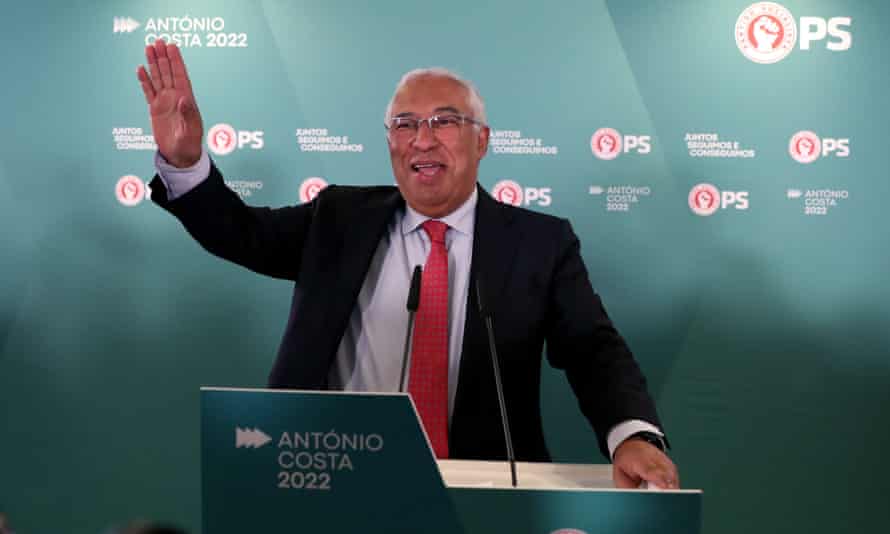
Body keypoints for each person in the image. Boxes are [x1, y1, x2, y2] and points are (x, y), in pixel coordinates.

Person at [136, 40, 679, 489]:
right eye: (405, 124)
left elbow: (592, 350)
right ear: (390, 141)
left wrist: (632, 435)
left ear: (482, 140)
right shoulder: (338, 217)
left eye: (444, 121)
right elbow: (241, 234)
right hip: (327, 479)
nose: (423, 139)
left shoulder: (540, 243)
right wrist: (186, 165)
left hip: (480, 489)